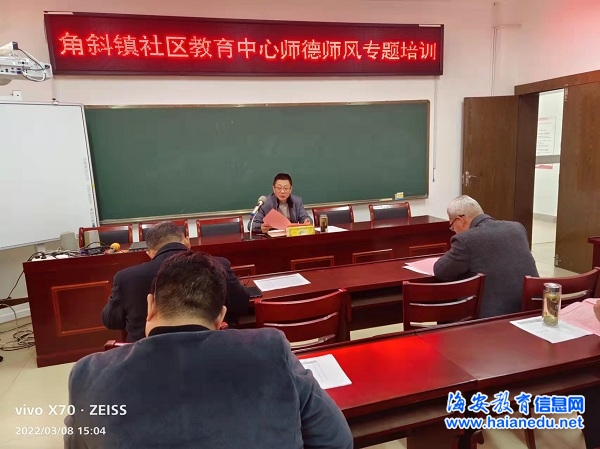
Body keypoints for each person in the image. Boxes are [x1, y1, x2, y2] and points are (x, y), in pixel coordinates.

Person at [66, 251, 353, 449]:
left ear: (151, 306)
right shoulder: (270, 348)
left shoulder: (88, 374)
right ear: (220, 318)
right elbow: (336, 439)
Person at [101, 221, 249, 341]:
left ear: (150, 253)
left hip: (143, 355)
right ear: (187, 242)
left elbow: (111, 321)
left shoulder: (126, 277)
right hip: (209, 349)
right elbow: (241, 303)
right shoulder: (217, 265)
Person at [433, 195, 539, 318]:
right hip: (533, 310)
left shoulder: (466, 239)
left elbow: (440, 271)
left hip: (493, 318)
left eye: (452, 226)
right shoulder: (517, 228)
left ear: (460, 220)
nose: (454, 230)